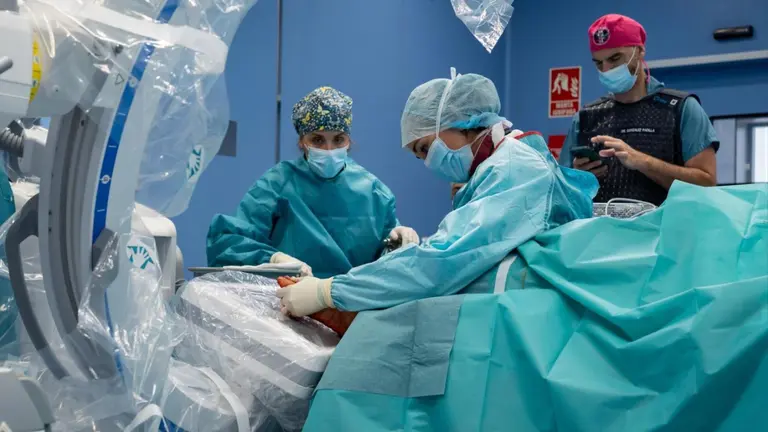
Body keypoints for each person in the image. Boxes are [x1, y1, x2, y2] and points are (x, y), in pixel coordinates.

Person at [277, 69, 598, 317]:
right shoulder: (498, 166)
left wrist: (329, 291)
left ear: (459, 121)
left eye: (425, 147)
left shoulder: (514, 170)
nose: (429, 162)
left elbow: (444, 260)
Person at [207, 86, 419, 279]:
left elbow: (385, 267)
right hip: (288, 296)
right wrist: (274, 259)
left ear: (349, 140)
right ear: (302, 141)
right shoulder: (277, 184)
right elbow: (229, 242)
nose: (329, 150)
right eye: (317, 140)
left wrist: (396, 244)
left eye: (338, 139)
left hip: (350, 302)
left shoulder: (374, 192)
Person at [560, 14, 719, 206]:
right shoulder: (586, 117)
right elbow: (561, 193)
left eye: (615, 58)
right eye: (599, 63)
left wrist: (643, 162)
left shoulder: (680, 109)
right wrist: (577, 178)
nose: (607, 69)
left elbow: (706, 185)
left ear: (640, 50)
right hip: (600, 224)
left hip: (664, 225)